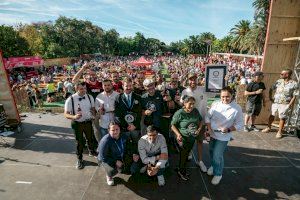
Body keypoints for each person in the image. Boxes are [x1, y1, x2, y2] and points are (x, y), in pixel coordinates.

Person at [205, 87, 243, 185]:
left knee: (217, 155)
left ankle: (218, 174)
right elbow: (207, 117)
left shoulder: (237, 108)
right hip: (212, 133)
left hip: (223, 136)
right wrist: (209, 129)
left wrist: (229, 129)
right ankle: (214, 166)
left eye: (227, 97)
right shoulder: (216, 104)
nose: (224, 99)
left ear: (232, 96)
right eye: (222, 97)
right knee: (211, 152)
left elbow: (240, 124)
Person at [64, 82, 97, 169]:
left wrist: (94, 114)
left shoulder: (89, 97)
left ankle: (92, 151)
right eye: (81, 89)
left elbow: (93, 109)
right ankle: (79, 159)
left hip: (88, 122)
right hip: (77, 124)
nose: (84, 90)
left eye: (85, 88)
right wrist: (74, 116)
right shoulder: (70, 99)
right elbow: (66, 114)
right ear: (76, 89)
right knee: (79, 142)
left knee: (90, 138)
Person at [181, 73, 208, 172]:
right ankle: (189, 153)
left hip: (200, 121)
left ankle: (200, 161)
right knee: (189, 140)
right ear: (188, 81)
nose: (193, 81)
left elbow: (216, 89)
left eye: (194, 79)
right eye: (191, 79)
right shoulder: (185, 91)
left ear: (197, 80)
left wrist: (223, 80)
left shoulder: (203, 89)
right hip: (189, 121)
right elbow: (182, 104)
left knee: (200, 141)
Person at [171, 96, 203, 181]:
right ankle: (181, 172)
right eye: (190, 104)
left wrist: (199, 130)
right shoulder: (179, 113)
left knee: (186, 154)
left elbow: (201, 121)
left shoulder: (195, 111)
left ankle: (180, 168)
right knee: (183, 155)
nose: (192, 106)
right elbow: (172, 125)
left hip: (192, 138)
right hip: (183, 138)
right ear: (184, 103)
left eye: (193, 104)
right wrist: (178, 134)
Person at [262, 69, 299, 138]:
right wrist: (270, 98)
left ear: (287, 75)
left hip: (285, 103)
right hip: (276, 102)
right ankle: (268, 127)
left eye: (282, 74)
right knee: (272, 115)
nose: (280, 75)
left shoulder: (294, 84)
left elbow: (294, 96)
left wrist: (289, 105)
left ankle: (279, 132)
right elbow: (271, 88)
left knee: (282, 117)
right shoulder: (279, 81)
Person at [73, 62, 103, 145]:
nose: (92, 76)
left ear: (97, 75)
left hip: (100, 111)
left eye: (94, 74)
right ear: (87, 76)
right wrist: (82, 68)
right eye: (90, 74)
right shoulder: (85, 85)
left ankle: (101, 145)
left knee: (100, 129)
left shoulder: (101, 84)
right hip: (88, 111)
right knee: (91, 129)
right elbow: (74, 80)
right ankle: (93, 145)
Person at [114, 77, 143, 143]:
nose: (128, 88)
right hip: (124, 127)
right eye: (126, 86)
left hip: (135, 127)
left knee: (136, 143)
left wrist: (134, 125)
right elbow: (117, 114)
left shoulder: (138, 97)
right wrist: (126, 126)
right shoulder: (118, 98)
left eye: (130, 86)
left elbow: (140, 113)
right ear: (123, 86)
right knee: (126, 144)